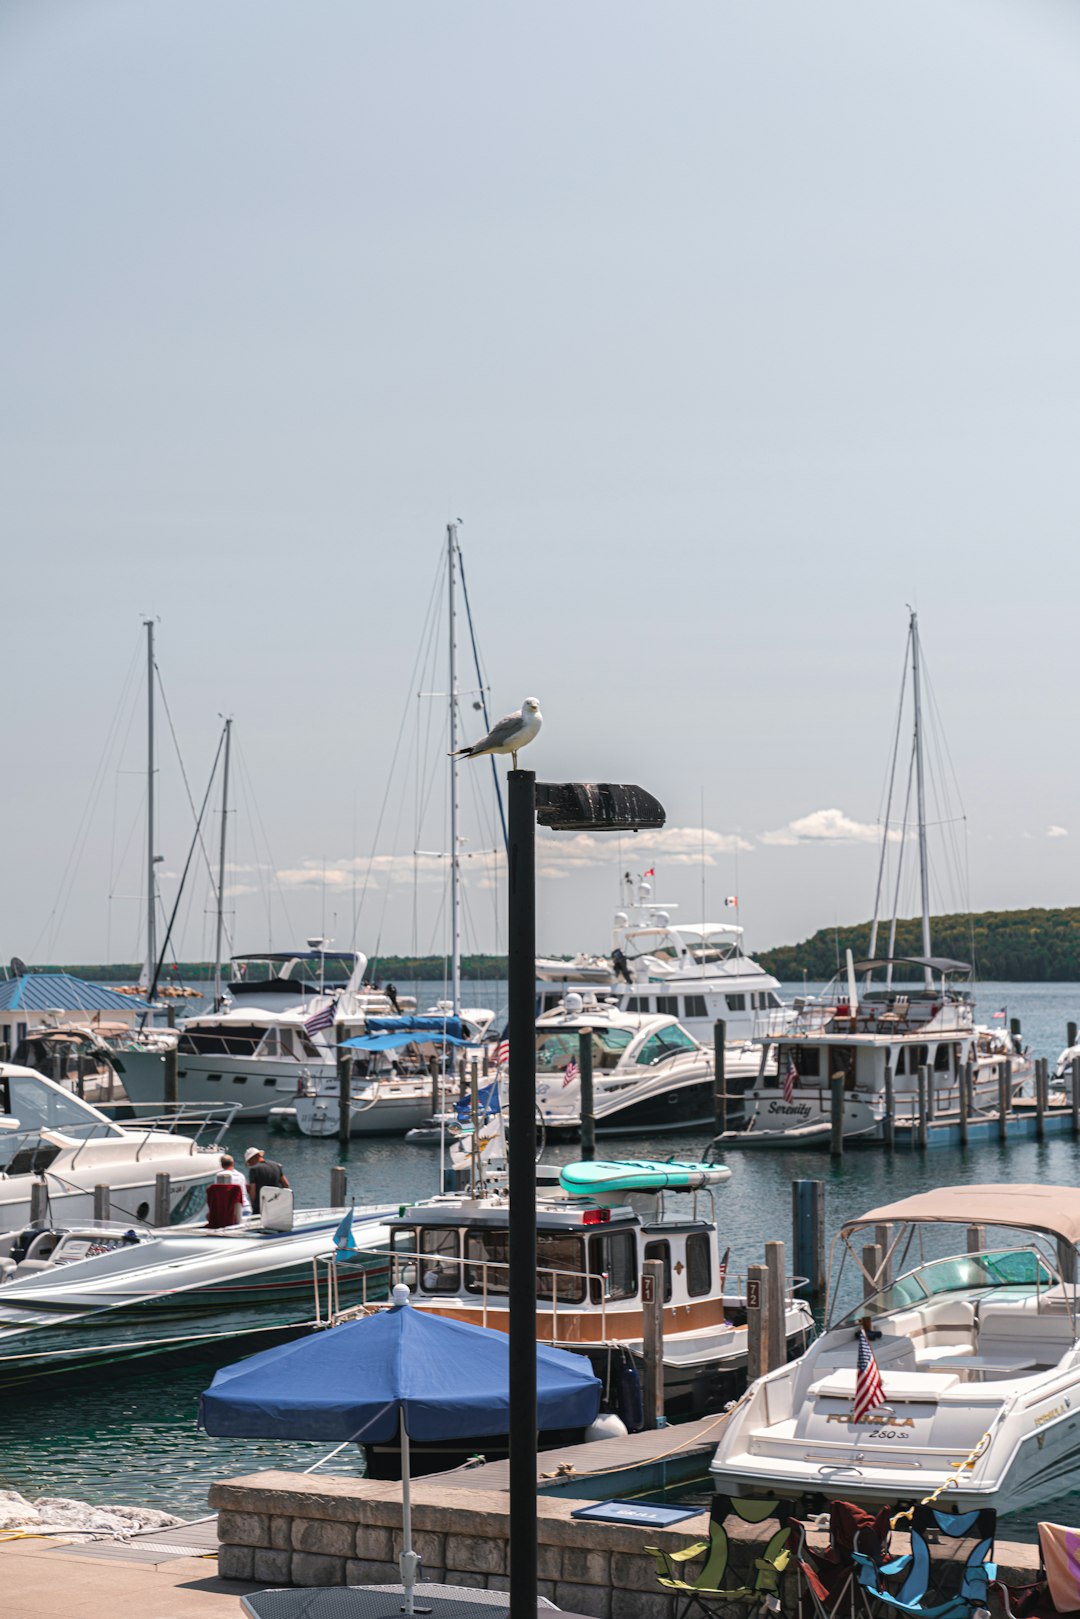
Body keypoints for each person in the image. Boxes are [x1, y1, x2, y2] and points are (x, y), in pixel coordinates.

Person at [245, 1146, 289, 1215]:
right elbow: (286, 1184)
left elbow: (252, 1191)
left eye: (249, 1162)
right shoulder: (276, 1165)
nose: (250, 1165)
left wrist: (253, 1206)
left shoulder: (254, 1170)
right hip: (277, 1205)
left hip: (261, 1207)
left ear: (253, 1158)